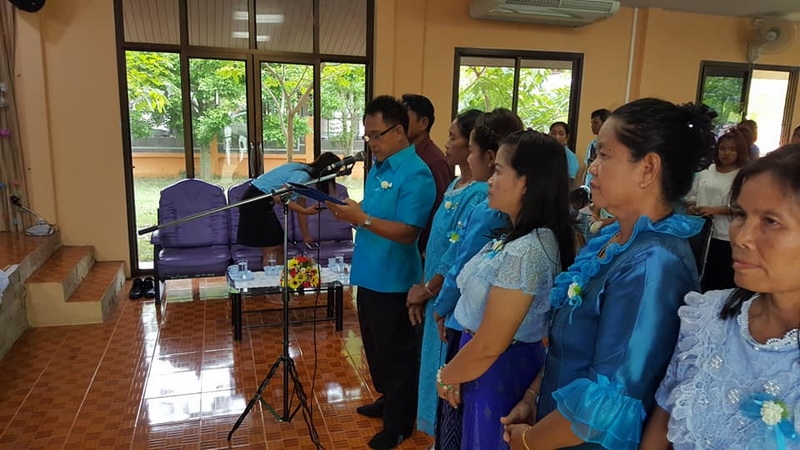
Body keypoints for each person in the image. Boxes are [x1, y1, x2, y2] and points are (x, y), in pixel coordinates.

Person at [502, 98, 715, 450]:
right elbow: (573, 347)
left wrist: (528, 441)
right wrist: (533, 397)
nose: (593, 167)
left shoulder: (652, 263)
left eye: (604, 155)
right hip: (557, 428)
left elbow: (607, 407)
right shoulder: (615, 239)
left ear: (647, 168)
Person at [642, 144, 800, 449]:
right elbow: (664, 420)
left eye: (770, 221)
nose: (741, 237)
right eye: (740, 214)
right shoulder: (709, 317)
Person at [436, 130, 576, 449]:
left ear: (526, 183)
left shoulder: (525, 251)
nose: (490, 179)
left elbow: (489, 344)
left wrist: (446, 374)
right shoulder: (522, 237)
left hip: (496, 369)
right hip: (487, 365)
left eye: (498, 171)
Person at [326, 95, 436, 450]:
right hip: (369, 272)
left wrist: (362, 219)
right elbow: (371, 215)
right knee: (374, 349)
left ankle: (399, 424)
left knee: (396, 354)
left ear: (399, 131)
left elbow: (407, 232)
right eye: (368, 136)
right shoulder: (378, 168)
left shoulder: (417, 173)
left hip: (395, 280)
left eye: (377, 135)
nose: (371, 142)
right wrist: (350, 213)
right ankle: (388, 400)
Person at [426, 108, 524, 449]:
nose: (468, 157)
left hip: (469, 326)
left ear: (490, 156)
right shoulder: (516, 216)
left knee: (462, 410)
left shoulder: (487, 207)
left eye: (470, 149)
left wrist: (441, 306)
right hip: (500, 338)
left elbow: (461, 264)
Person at [407, 109, 485, 439]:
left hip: (448, 295)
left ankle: (446, 436)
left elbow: (458, 254)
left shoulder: (478, 193)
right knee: (431, 363)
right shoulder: (455, 184)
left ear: (474, 146)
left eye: (454, 137)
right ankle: (437, 433)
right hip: (433, 288)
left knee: (446, 366)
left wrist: (429, 289)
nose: (447, 143)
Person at [237, 152, 340, 265]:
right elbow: (279, 197)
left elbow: (301, 206)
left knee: (280, 246)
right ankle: (271, 275)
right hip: (255, 202)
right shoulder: (303, 175)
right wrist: (306, 211)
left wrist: (305, 235)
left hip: (263, 204)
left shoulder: (307, 176)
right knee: (272, 248)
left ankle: (279, 274)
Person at [686, 129, 750, 291]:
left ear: (740, 152)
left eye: (732, 149)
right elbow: (692, 195)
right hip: (701, 232)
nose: (726, 153)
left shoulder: (742, 175)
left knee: (721, 278)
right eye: (722, 148)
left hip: (725, 235)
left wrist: (715, 210)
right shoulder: (707, 171)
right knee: (700, 275)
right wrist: (692, 206)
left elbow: (744, 207)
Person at [402, 93, 454, 254]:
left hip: (422, 250)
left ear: (423, 123)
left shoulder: (435, 161)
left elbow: (442, 210)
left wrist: (426, 251)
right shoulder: (404, 156)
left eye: (404, 119)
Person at [584, 109, 611, 188]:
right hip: (589, 184)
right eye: (592, 123)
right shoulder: (591, 145)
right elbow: (587, 167)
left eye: (596, 123)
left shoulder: (611, 145)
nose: (592, 126)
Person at [549, 121, 579, 185]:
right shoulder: (544, 152)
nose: (556, 137)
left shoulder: (571, 157)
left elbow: (569, 182)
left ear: (567, 137)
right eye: (553, 133)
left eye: (561, 134)